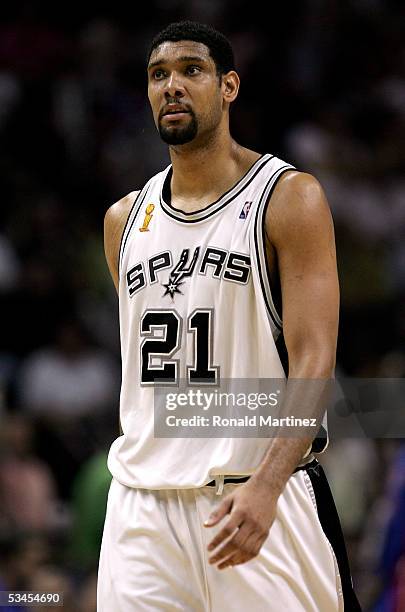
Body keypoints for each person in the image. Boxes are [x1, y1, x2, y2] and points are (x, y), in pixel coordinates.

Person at [97, 20, 361, 611]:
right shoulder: (123, 221)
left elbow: (316, 356)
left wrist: (266, 486)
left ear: (229, 86)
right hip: (142, 508)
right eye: (158, 75)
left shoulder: (288, 198)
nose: (172, 86)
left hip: (256, 496)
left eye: (191, 71)